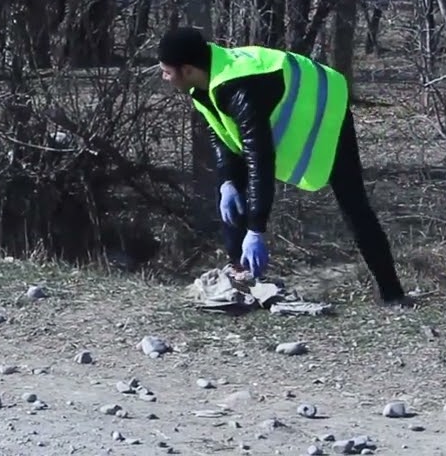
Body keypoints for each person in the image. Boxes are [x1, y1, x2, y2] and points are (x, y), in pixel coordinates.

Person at [156, 27, 410, 306]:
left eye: (167, 72)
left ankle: (393, 294)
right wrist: (227, 181)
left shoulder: (239, 87)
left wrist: (256, 229)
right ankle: (242, 282)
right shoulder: (204, 84)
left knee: (353, 204)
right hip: (288, 116)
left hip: (327, 111)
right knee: (234, 196)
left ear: (188, 69)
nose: (163, 77)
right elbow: (222, 133)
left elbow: (259, 159)